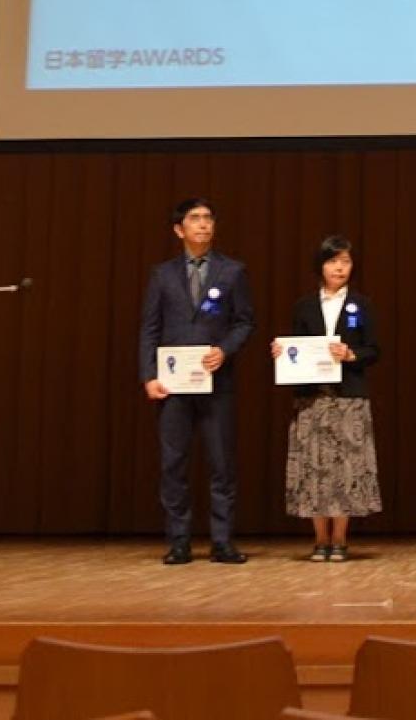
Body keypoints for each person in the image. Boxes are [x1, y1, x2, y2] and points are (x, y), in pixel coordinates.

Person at [140, 197, 255, 565]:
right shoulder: (162, 274)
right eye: (195, 219)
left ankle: (222, 541)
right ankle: (179, 541)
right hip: (173, 384)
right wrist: (148, 376)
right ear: (179, 229)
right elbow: (149, 329)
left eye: (208, 218)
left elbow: (245, 321)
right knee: (173, 463)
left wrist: (224, 350)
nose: (203, 224)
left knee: (222, 463)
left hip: (216, 382)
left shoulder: (232, 271)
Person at [275, 235, 381, 561]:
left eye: (346, 261)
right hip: (312, 399)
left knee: (346, 472)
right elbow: (295, 351)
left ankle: (340, 539)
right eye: (334, 261)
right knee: (314, 470)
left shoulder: (361, 305)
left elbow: (374, 350)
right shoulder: (303, 306)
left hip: (349, 397)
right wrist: (283, 352)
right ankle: (319, 539)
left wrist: (351, 354)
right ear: (321, 265)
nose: (340, 267)